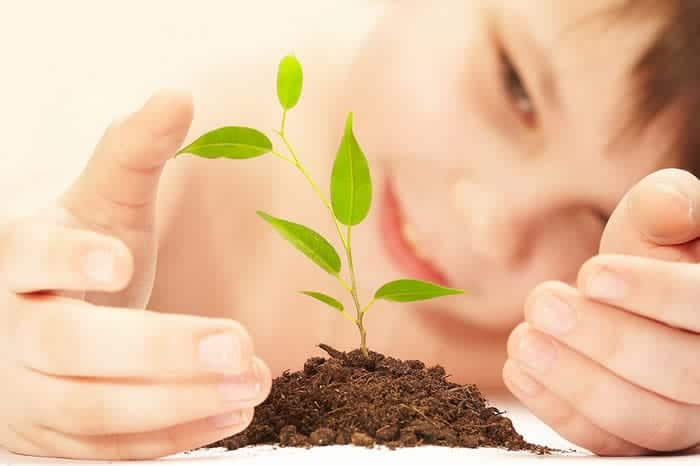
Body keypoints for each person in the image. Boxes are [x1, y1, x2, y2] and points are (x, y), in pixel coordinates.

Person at [1, 0, 699, 460]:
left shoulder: (603, 333)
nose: (492, 223)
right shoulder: (146, 134)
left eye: (599, 218)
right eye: (516, 88)